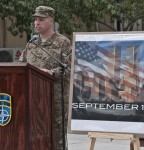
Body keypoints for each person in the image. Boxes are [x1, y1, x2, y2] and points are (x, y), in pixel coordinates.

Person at [19, 6, 72, 150]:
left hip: (55, 99)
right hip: (33, 99)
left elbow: (69, 68)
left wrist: (50, 72)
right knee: (34, 137)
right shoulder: (31, 44)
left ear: (51, 21)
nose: (37, 23)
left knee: (56, 139)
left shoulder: (63, 42)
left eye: (41, 19)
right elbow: (21, 67)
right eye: (35, 20)